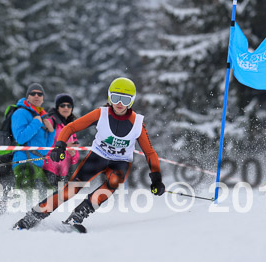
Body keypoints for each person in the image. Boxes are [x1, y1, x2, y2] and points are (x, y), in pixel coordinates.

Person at [13, 77, 165, 230]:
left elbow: (150, 153)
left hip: (120, 162)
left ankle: (78, 215)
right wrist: (60, 146)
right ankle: (31, 217)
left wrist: (156, 178)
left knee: (112, 184)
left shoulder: (138, 122)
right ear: (109, 97)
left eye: (125, 100)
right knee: (70, 189)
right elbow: (70, 128)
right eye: (116, 98)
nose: (119, 104)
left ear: (131, 101)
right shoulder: (101, 114)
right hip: (97, 157)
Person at [11, 83, 55, 203]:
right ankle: (14, 220)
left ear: (43, 98)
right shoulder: (20, 113)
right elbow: (20, 138)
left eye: (40, 94)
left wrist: (51, 132)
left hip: (38, 164)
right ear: (27, 97)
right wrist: (36, 123)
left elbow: (45, 148)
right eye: (33, 93)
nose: (36, 96)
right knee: (25, 199)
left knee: (50, 197)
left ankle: (38, 221)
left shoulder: (41, 115)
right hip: (23, 163)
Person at [42, 93, 81, 187]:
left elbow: (75, 159)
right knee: (45, 199)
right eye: (62, 105)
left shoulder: (72, 126)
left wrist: (73, 154)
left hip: (64, 172)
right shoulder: (51, 121)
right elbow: (42, 145)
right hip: (48, 169)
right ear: (57, 107)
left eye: (69, 105)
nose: (66, 108)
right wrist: (64, 146)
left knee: (61, 200)